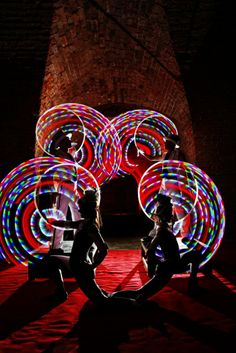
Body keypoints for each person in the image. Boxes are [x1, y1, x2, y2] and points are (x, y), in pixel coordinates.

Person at [111, 194, 201, 302]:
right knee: (142, 293)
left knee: (195, 254)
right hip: (170, 265)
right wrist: (157, 265)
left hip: (173, 261)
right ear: (165, 216)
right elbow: (150, 251)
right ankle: (117, 298)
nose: (172, 215)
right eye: (170, 213)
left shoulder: (164, 228)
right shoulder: (162, 231)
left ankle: (192, 284)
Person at [47, 188, 109, 303]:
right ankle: (61, 292)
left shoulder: (91, 227)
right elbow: (67, 224)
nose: (79, 211)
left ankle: (133, 303)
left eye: (81, 208)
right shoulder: (83, 223)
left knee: (102, 301)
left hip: (81, 267)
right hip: (74, 263)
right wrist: (53, 222)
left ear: (87, 209)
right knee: (51, 260)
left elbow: (104, 250)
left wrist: (92, 267)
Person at [49, 130, 81, 254]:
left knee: (77, 213)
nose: (70, 141)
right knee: (61, 215)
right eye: (67, 140)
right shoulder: (59, 155)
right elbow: (57, 172)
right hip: (64, 187)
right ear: (61, 142)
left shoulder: (68, 154)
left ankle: (79, 242)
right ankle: (56, 247)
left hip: (72, 187)